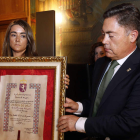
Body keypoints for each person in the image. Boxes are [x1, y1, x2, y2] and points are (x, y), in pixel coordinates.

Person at [57, 3, 140, 140]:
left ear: (132, 36)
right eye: (103, 34)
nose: (104, 41)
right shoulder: (101, 63)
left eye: (110, 35)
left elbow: (129, 123)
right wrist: (79, 107)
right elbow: (100, 102)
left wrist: (78, 123)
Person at [2, 19, 70, 87]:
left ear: (28, 40)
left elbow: (47, 93)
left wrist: (59, 85)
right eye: (13, 35)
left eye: (23, 36)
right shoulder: (2, 68)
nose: (17, 39)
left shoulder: (39, 68)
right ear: (8, 39)